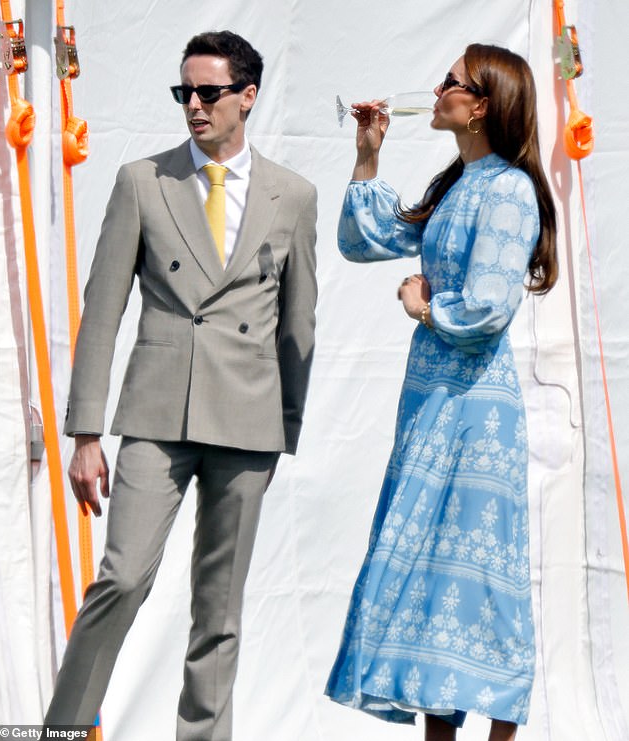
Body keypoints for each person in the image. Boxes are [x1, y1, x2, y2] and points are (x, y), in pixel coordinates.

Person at [43, 30, 317, 741]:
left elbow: (299, 323)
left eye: (208, 92)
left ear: (246, 98)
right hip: (156, 416)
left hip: (249, 423)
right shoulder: (144, 180)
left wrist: (285, 425)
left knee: (219, 612)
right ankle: (62, 731)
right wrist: (84, 433)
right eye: (183, 92)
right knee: (122, 579)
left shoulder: (293, 195)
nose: (193, 105)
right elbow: (101, 311)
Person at [325, 44, 557, 741]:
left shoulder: (511, 190)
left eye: (449, 82)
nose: (436, 89)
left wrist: (426, 307)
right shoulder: (460, 184)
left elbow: (490, 306)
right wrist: (368, 154)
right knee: (427, 578)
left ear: (480, 104)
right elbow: (368, 240)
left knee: (479, 587)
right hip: (431, 405)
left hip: (477, 414)